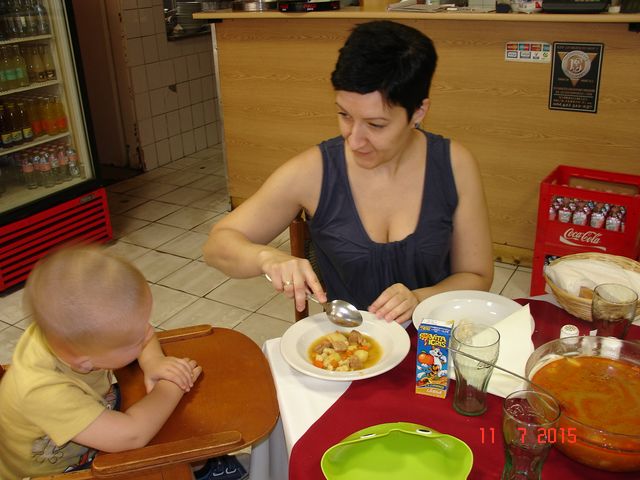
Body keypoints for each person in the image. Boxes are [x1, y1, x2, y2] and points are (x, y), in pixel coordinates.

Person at [203, 20, 494, 324]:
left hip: (434, 338)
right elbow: (217, 245)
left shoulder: (453, 165)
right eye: (344, 115)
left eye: (376, 125)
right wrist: (267, 258)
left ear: (418, 112)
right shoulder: (314, 172)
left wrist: (420, 298)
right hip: (351, 342)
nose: (354, 140)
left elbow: (476, 275)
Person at [0, 245, 202, 480]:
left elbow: (136, 329)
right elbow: (132, 435)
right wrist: (173, 385)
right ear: (85, 362)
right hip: (56, 472)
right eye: (137, 340)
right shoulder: (43, 391)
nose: (148, 334)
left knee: (182, 436)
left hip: (93, 417)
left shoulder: (68, 335)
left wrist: (154, 361)